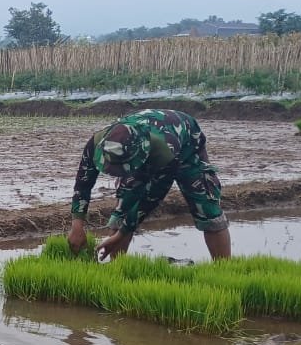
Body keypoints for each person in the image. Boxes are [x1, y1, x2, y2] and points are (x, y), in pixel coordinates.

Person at [68, 109, 231, 261]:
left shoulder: (165, 149)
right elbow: (83, 182)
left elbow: (151, 198)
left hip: (187, 146)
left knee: (207, 208)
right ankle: (118, 269)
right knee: (123, 207)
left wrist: (121, 234)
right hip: (139, 145)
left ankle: (225, 272)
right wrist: (77, 225)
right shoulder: (98, 141)